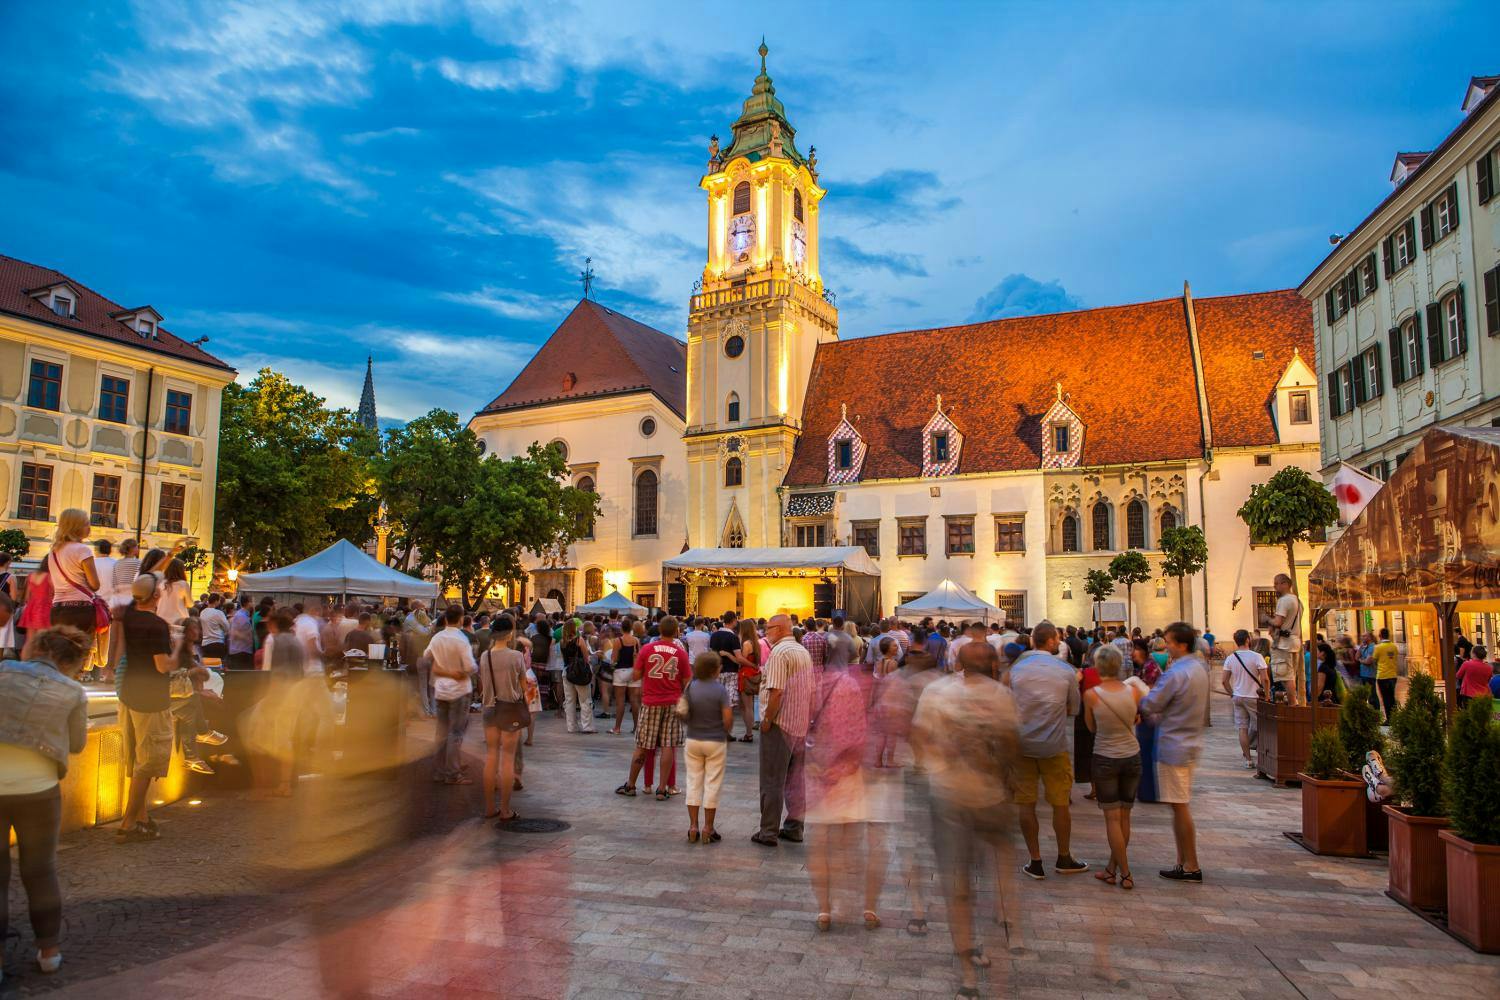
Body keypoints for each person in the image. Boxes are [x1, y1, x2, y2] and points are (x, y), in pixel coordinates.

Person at [910, 640, 1019, 998]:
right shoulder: (1001, 696)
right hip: (989, 798)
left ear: (956, 661)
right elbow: (1011, 746)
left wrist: (934, 763)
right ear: (993, 664)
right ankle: (993, 936)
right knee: (995, 872)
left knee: (957, 885)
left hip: (948, 797)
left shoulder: (937, 692)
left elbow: (919, 738)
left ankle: (968, 970)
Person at [0, 626, 90, 979]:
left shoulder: (3, 672)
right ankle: (48, 952)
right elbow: (78, 744)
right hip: (39, 789)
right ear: (71, 661)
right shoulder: (73, 691)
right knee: (40, 871)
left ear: (36, 647)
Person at [1007, 622, 1086, 877]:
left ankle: (1036, 859)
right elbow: (1074, 708)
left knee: (1026, 804)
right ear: (1052, 641)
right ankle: (1064, 856)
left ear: (1033, 641)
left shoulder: (1017, 669)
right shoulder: (1065, 671)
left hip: (1022, 744)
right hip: (1054, 745)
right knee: (1060, 803)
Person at [804, 636, 868, 932]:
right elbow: (858, 730)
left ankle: (824, 908)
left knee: (819, 841)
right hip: (845, 770)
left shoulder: (814, 683)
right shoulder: (851, 686)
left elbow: (803, 724)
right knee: (846, 840)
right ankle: (844, 899)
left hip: (818, 768)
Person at [1140, 622, 1210, 882]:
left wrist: (1139, 696)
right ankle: (1182, 861)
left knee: (1180, 806)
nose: (1165, 646)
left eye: (1168, 641)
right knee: (1177, 805)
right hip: (1190, 741)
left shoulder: (1176, 673)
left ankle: (1191, 863)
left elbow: (1152, 703)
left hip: (1173, 744)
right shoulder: (1199, 668)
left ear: (1180, 644)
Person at [116, 572, 175, 841]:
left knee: (136, 759)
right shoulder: (158, 626)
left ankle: (141, 817)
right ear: (156, 596)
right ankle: (128, 823)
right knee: (147, 763)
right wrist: (182, 652)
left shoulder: (129, 615)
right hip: (152, 699)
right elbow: (162, 666)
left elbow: (146, 574)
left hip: (129, 693)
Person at [1084, 644, 1143, 889]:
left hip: (1106, 755)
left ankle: (1125, 873)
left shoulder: (1092, 695)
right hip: (1132, 754)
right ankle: (1112, 868)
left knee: (1112, 818)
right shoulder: (1134, 691)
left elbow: (1091, 728)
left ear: (1098, 666)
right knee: (1125, 816)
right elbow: (1136, 718)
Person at [752, 613, 814, 847]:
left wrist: (768, 719)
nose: (766, 632)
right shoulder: (802, 651)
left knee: (772, 780)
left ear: (778, 629)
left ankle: (767, 831)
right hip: (799, 724)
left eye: (768, 629)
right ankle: (795, 827)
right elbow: (811, 689)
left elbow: (776, 691)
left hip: (780, 725)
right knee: (795, 781)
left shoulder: (779, 653)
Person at [618, 616, 690, 799]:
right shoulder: (680, 653)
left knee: (643, 744)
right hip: (673, 701)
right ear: (676, 632)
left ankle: (631, 785)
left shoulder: (647, 649)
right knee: (668, 744)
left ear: (659, 631)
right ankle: (662, 788)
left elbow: (636, 675)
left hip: (651, 701)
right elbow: (687, 680)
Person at [478, 616, 528, 822]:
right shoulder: (516, 656)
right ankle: (505, 810)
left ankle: (490, 807)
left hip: (489, 708)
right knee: (507, 759)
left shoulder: (484, 656)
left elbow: (483, 683)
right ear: (509, 634)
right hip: (510, 709)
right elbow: (524, 686)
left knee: (491, 757)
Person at [682, 651, 733, 843]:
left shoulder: (691, 687)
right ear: (714, 670)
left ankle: (693, 825)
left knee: (693, 782)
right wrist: (724, 730)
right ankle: (708, 827)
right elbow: (727, 718)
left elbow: (683, 711)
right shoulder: (720, 690)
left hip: (693, 739)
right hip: (715, 740)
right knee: (713, 784)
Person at [428, 605, 476, 785]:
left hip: (441, 690)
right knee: (455, 732)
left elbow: (427, 657)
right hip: (459, 691)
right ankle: (452, 772)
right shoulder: (461, 639)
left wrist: (441, 670)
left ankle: (439, 770)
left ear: (446, 618)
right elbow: (471, 666)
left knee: (441, 731)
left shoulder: (437, 637)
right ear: (461, 619)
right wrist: (458, 672)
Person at [46, 510, 100, 638]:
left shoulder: (53, 551)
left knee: (62, 651)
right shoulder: (83, 550)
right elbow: (95, 584)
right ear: (76, 527)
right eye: (86, 524)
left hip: (57, 609)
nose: (89, 527)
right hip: (80, 609)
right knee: (80, 651)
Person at [1222, 629, 1269, 769]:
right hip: (1253, 696)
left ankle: (1248, 760)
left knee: (1242, 728)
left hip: (1238, 696)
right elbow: (1265, 679)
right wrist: (1266, 694)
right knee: (1262, 727)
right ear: (1248, 640)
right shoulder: (1256, 657)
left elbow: (1224, 681)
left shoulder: (1231, 658)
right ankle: (1262, 757)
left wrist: (1232, 693)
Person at [1263, 573, 1304, 706]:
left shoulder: (1284, 600)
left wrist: (1267, 619)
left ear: (1285, 584)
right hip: (1294, 641)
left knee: (1286, 677)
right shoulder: (1297, 600)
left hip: (1284, 644)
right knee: (1290, 675)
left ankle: (1293, 704)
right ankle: (1294, 702)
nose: (1275, 587)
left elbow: (1278, 622)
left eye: (1277, 584)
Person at [709, 612, 744, 738]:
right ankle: (726, 731)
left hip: (716, 671)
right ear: (734, 621)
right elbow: (738, 658)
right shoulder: (733, 637)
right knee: (728, 703)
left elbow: (712, 654)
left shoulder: (714, 635)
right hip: (731, 671)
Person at [559, 619, 596, 733]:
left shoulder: (562, 642)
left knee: (570, 701)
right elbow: (586, 658)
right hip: (579, 672)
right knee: (585, 699)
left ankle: (571, 727)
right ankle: (587, 726)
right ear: (573, 628)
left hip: (567, 672)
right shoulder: (579, 640)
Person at [609, 618, 642, 736]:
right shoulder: (636, 641)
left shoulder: (618, 641)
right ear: (631, 628)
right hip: (634, 672)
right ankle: (636, 728)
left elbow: (614, 659)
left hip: (621, 671)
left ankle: (617, 728)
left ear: (622, 628)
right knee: (634, 700)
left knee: (620, 701)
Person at [735, 618, 766, 743]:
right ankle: (748, 732)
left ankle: (749, 733)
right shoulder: (756, 642)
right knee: (747, 705)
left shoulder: (747, 643)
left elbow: (741, 659)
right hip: (751, 673)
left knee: (747, 706)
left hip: (746, 673)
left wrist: (729, 655)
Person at [1372, 628, 1399, 723]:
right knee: (1391, 697)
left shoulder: (1378, 647)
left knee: (1385, 698)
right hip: (1393, 675)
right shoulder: (1394, 646)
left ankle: (1389, 719)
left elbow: (1374, 660)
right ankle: (1395, 717)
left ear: (1380, 636)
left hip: (1382, 676)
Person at [155, 559, 192, 628]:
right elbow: (190, 604)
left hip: (160, 619)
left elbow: (156, 602)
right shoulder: (183, 584)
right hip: (179, 621)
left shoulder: (161, 583)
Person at [227, 595, 256, 670]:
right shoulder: (241, 616)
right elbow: (234, 633)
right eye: (252, 602)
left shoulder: (243, 615)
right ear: (247, 603)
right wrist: (248, 639)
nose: (253, 604)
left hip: (242, 650)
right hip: (240, 651)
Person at [199, 593, 230, 661]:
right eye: (219, 600)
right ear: (216, 601)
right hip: (217, 643)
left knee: (208, 665)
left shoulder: (202, 612)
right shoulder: (218, 613)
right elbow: (227, 627)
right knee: (217, 665)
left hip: (205, 643)